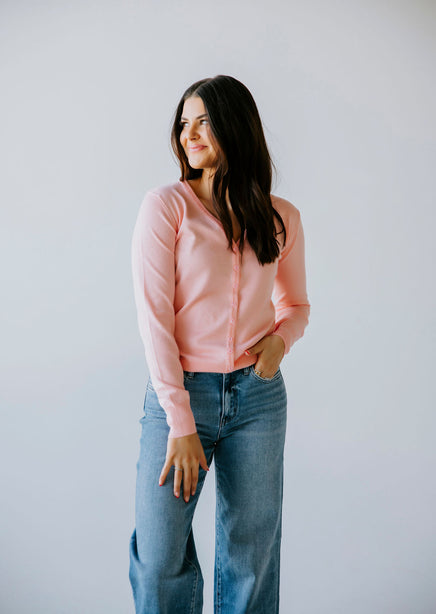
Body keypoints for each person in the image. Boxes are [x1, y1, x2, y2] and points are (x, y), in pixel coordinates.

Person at [128, 74, 311, 614]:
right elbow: (154, 320)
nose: (188, 134)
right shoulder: (166, 207)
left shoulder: (281, 217)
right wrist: (181, 421)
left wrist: (278, 345)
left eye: (203, 121)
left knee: (251, 556)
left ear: (236, 125)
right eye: (183, 123)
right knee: (159, 557)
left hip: (257, 400)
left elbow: (296, 306)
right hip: (179, 396)